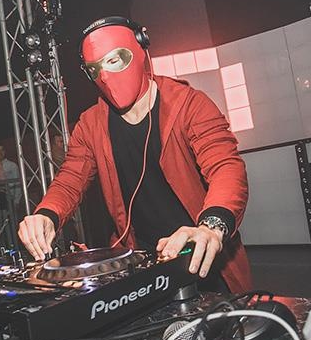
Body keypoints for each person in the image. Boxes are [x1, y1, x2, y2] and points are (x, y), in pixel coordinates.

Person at [18, 16, 252, 293]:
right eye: (95, 69)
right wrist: (47, 214)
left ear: (140, 49)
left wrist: (211, 227)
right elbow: (70, 179)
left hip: (201, 256)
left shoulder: (190, 105)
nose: (105, 76)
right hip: (140, 264)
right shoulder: (91, 124)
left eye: (114, 61)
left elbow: (226, 167)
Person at [0, 144, 22, 208]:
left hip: (9, 197)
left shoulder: (12, 165)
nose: (0, 153)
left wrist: (17, 201)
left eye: (1, 150)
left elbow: (17, 183)